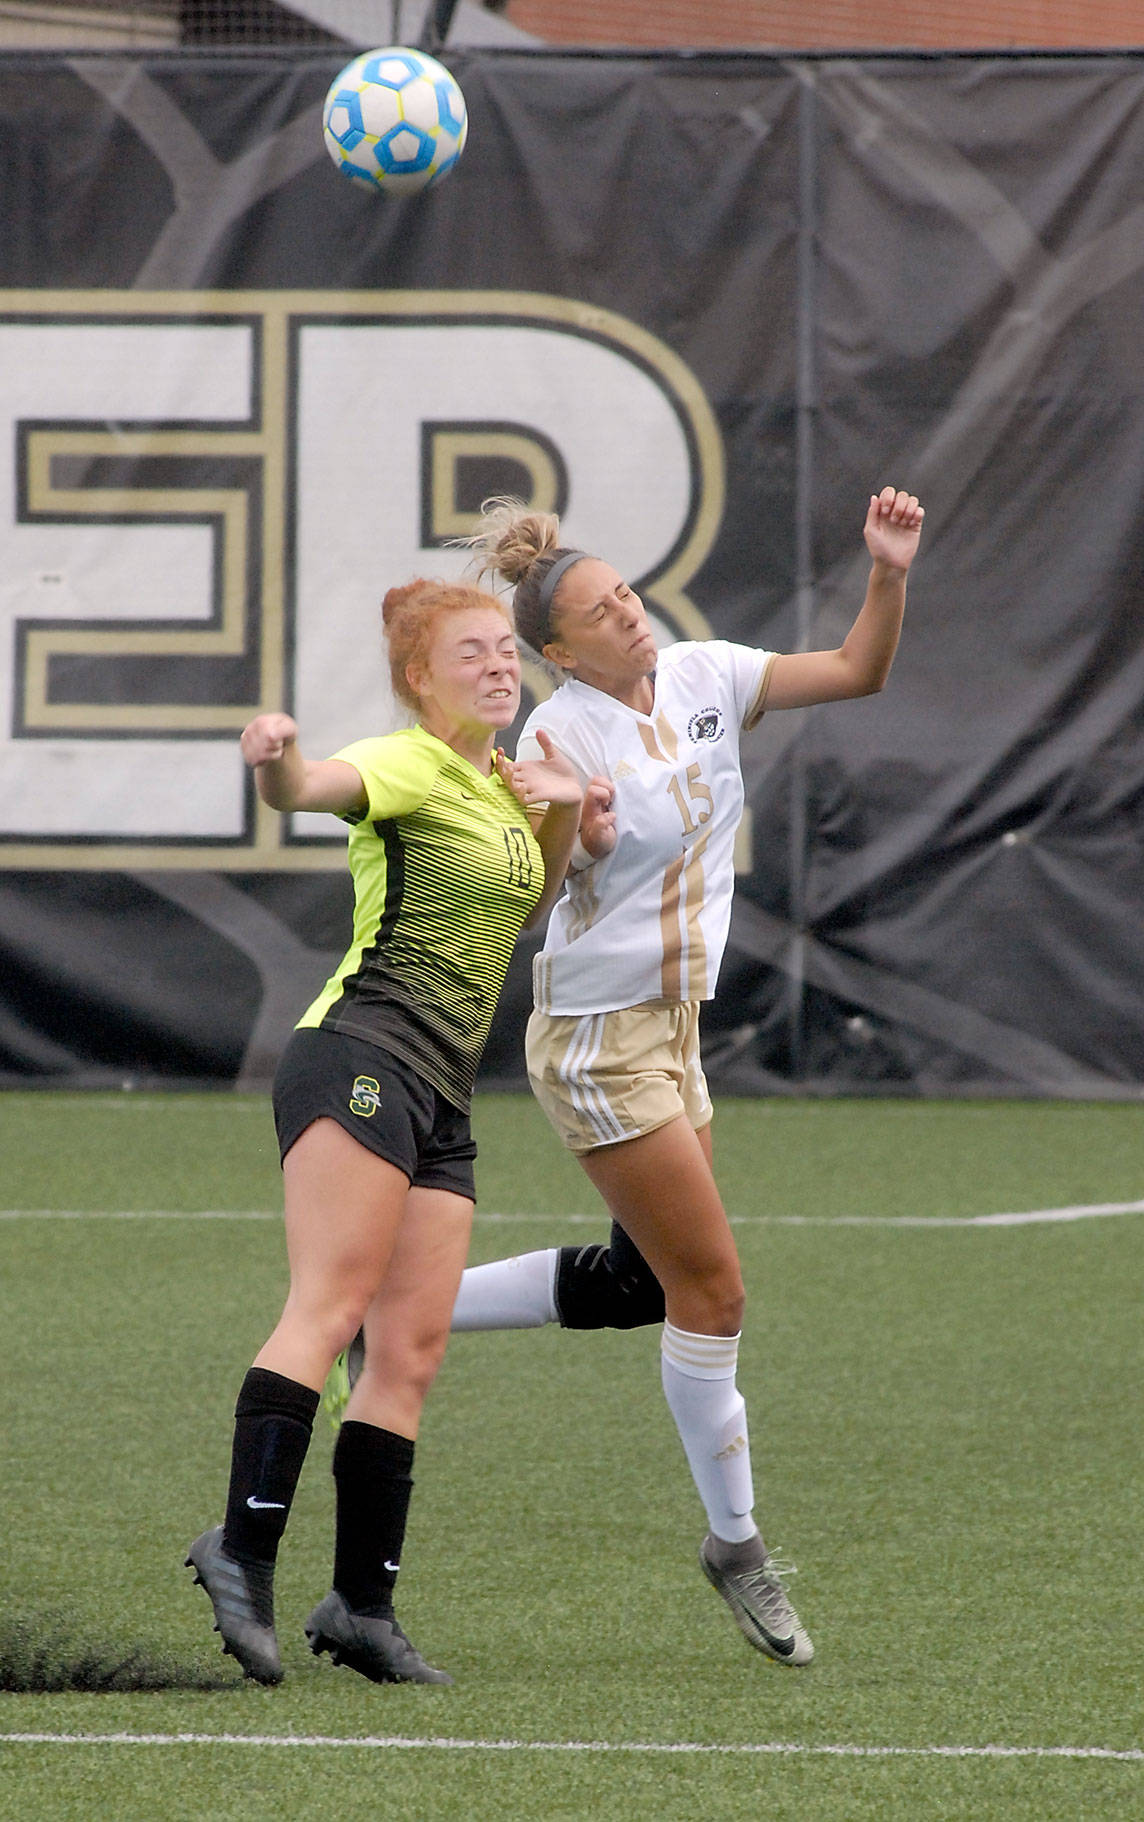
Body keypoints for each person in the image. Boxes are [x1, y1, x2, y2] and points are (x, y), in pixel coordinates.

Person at [444, 485, 925, 1667]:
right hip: (599, 1039)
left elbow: (857, 669)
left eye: (627, 595)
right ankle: (735, 1544)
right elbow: (541, 896)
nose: (630, 616)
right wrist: (573, 831)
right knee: (713, 1295)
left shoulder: (706, 673)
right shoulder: (553, 739)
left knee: (643, 1283)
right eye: (603, 615)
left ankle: (400, 1307)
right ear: (556, 653)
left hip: (673, 1029)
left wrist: (885, 570)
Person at [186, 577, 581, 1687]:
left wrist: (559, 810)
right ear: (419, 676)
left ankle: (362, 1606)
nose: (500, 666)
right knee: (329, 1307)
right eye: (473, 653)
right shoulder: (409, 761)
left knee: (406, 1353)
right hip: (359, 1055)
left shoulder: (499, 785)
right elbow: (307, 786)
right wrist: (274, 757)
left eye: (507, 649)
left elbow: (527, 901)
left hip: (442, 1093)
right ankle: (242, 1549)